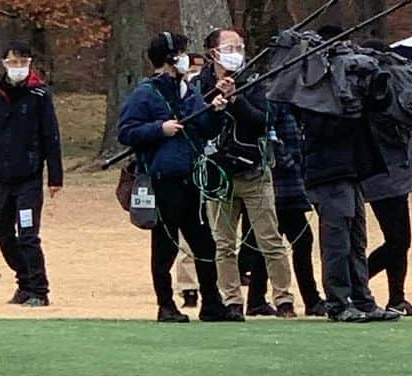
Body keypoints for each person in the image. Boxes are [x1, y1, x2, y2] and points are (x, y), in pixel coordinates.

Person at [118, 32, 236, 323]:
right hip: (162, 179)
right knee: (166, 244)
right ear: (170, 59)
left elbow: (203, 128)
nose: (187, 58)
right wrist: (159, 129)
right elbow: (126, 132)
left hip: (190, 177)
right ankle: (166, 304)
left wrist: (218, 112)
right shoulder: (145, 94)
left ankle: (212, 303)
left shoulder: (187, 91)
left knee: (205, 243)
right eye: (182, 53)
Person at [295, 25, 400, 322]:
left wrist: (367, 93)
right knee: (337, 240)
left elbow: (382, 106)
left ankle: (363, 299)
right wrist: (349, 110)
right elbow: (319, 130)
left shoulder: (349, 84)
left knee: (357, 239)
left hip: (352, 171)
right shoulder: (312, 87)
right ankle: (339, 302)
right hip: (328, 172)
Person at [197, 28, 296, 320]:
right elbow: (197, 124)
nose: (237, 52)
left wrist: (237, 100)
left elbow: (262, 121)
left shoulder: (254, 81)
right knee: (223, 243)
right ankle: (231, 300)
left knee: (270, 239)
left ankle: (284, 298)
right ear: (213, 52)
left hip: (253, 172)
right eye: (230, 47)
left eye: (240, 46)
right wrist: (212, 106)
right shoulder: (199, 85)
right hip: (218, 175)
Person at [0, 41, 63, 307]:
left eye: (23, 62)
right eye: (12, 62)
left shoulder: (39, 95)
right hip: (3, 177)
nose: (18, 67)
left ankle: (39, 289)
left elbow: (50, 136)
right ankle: (24, 280)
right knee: (3, 233)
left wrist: (55, 176)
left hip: (29, 177)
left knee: (28, 233)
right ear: (4, 65)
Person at [361, 40, 412, 317]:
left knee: (399, 240)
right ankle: (357, 282)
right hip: (385, 177)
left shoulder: (379, 90)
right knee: (398, 241)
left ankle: (396, 297)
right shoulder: (377, 95)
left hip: (396, 175)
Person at [243, 101, 328, 317]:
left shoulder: (284, 106)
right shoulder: (278, 106)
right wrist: (292, 162)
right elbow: (276, 142)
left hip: (283, 185)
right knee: (298, 240)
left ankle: (256, 298)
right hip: (282, 186)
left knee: (267, 243)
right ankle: (310, 299)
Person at [174, 52, 206, 310]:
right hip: (185, 172)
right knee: (186, 238)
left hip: (210, 169)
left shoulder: (199, 95)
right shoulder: (180, 94)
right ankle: (188, 288)